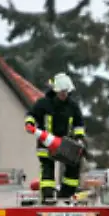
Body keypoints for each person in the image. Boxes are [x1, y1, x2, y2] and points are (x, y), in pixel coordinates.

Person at [24, 72, 86, 204]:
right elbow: (32, 115)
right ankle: (48, 196)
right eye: (61, 92)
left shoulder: (73, 106)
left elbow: (79, 124)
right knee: (47, 169)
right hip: (46, 144)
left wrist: (79, 138)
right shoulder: (43, 104)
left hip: (65, 144)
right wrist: (29, 123)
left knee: (74, 166)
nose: (64, 95)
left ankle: (67, 193)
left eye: (66, 92)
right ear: (55, 91)